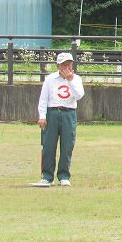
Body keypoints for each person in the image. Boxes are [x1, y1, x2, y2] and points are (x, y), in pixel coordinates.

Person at [36, 52, 85, 186]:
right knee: (49, 145)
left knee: (67, 145)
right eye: (64, 65)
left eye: (69, 64)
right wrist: (42, 116)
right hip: (52, 112)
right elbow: (43, 99)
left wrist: (70, 80)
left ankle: (64, 175)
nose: (67, 67)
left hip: (68, 113)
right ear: (58, 66)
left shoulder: (76, 79)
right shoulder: (50, 79)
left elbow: (79, 95)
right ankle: (47, 176)